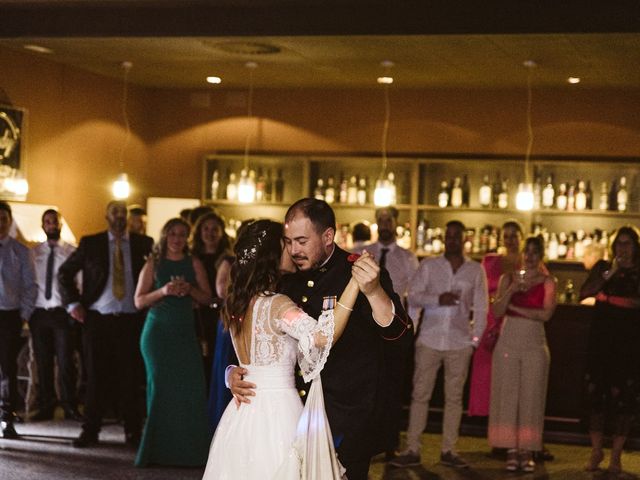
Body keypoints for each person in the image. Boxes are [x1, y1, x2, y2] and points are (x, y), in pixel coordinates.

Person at [230, 199, 411, 480]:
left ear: (328, 236)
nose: (294, 250)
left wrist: (374, 292)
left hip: (346, 417)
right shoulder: (284, 277)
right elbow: (259, 336)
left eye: (302, 241)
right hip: (292, 416)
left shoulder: (356, 272)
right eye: (288, 241)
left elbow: (399, 334)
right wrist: (235, 372)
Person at [203, 219, 362, 479]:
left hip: (243, 413)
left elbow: (246, 358)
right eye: (286, 243)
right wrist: (354, 285)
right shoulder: (276, 304)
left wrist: (230, 371)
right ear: (272, 254)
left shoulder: (238, 302)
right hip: (277, 411)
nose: (293, 250)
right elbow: (322, 337)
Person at [393, 220, 488, 469]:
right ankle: (413, 448)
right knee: (420, 394)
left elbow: (481, 306)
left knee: (454, 398)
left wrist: (474, 340)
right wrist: (438, 299)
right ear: (444, 238)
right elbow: (412, 296)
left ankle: (449, 450)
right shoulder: (429, 266)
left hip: (459, 341)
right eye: (449, 236)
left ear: (464, 239)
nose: (452, 240)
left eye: (457, 236)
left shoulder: (475, 270)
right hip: (429, 338)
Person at [59, 200, 154, 448]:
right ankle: (90, 430)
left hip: (132, 320)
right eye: (115, 212)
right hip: (98, 321)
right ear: (106, 216)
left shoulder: (144, 244)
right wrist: (73, 304)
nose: (120, 216)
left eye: (123, 212)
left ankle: (133, 432)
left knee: (131, 378)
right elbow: (64, 273)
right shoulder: (91, 243)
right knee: (95, 377)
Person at [134, 218, 212, 467]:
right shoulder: (153, 263)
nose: (177, 239)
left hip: (185, 335)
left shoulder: (194, 262)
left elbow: (208, 297)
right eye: (173, 234)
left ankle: (189, 453)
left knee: (191, 390)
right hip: (157, 336)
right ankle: (156, 453)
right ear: (165, 236)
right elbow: (138, 301)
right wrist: (164, 291)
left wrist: (189, 289)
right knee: (160, 391)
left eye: (182, 235)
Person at [488, 235, 557, 472]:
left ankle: (527, 449)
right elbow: (497, 310)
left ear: (541, 256)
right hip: (508, 341)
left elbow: (546, 315)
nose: (529, 257)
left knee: (532, 396)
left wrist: (514, 307)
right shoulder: (508, 278)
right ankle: (510, 449)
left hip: (534, 342)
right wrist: (511, 292)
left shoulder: (548, 281)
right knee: (508, 395)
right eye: (526, 252)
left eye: (534, 252)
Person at [355, 206, 419, 459]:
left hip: (396, 328)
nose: (384, 224)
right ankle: (367, 440)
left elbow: (414, 295)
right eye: (380, 220)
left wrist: (410, 328)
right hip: (367, 329)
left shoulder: (407, 257)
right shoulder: (362, 252)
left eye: (388, 220)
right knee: (368, 385)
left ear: (395, 223)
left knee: (393, 386)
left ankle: (391, 442)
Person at [579, 225, 640, 474]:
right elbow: (585, 292)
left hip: (628, 342)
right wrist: (611, 273)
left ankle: (616, 455)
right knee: (596, 395)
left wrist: (610, 299)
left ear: (636, 247)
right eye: (619, 244)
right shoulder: (603, 267)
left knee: (624, 398)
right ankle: (596, 451)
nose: (623, 249)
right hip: (600, 340)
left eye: (627, 244)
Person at [29, 209, 82, 422]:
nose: (51, 225)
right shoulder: (33, 253)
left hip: (62, 312)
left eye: (55, 221)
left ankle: (70, 405)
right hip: (40, 312)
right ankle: (46, 406)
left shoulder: (71, 251)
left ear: (60, 225)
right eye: (47, 222)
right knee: (43, 363)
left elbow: (79, 281)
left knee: (66, 361)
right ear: (43, 226)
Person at [468, 220, 523, 417]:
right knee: (484, 366)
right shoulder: (490, 261)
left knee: (508, 368)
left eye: (514, 236)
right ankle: (482, 411)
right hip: (490, 317)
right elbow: (479, 288)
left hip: (514, 317)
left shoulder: (529, 262)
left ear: (521, 238)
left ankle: (504, 413)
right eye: (506, 236)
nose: (510, 240)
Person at [0, 201, 37, 439]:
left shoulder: (21, 251)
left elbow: (30, 287)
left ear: (9, 221)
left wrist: (23, 315)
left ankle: (6, 419)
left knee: (7, 368)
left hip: (9, 316)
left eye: (3, 219)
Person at [191, 211, 233, 388]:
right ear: (199, 232)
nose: (210, 233)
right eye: (205, 229)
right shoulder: (191, 257)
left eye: (214, 229)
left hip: (221, 313)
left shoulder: (230, 258)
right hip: (197, 313)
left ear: (222, 232)